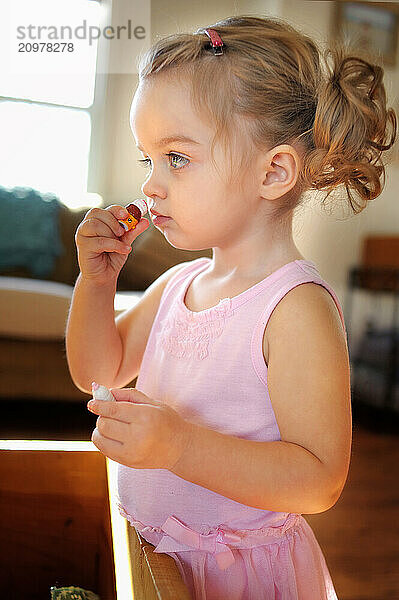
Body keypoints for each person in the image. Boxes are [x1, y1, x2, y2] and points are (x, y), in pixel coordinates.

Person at [66, 15, 397, 600]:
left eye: (177, 158)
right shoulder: (177, 284)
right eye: (148, 160)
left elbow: (318, 480)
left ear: (273, 171)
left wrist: (178, 445)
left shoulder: (294, 308)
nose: (151, 185)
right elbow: (99, 369)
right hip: (150, 555)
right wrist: (95, 282)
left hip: (233, 578)